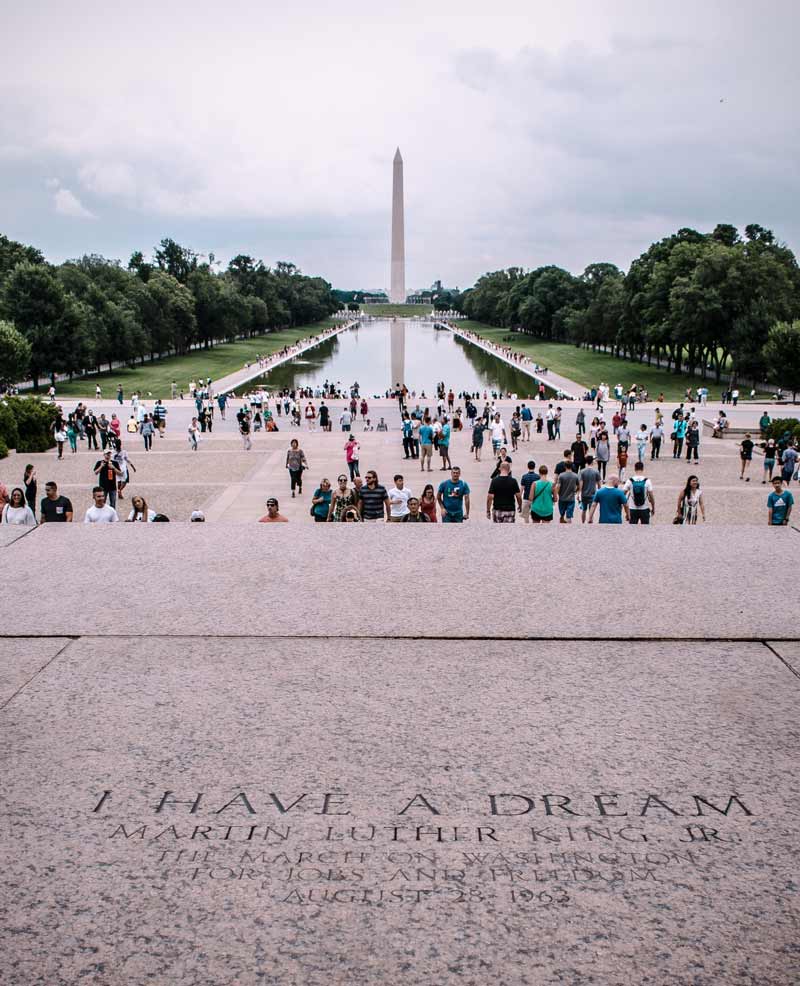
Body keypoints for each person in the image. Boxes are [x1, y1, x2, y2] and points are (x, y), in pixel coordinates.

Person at [577, 455, 601, 525]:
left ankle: (583, 522)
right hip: (593, 494)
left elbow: (581, 483)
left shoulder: (582, 471)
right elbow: (599, 484)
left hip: (584, 494)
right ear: (592, 462)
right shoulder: (596, 472)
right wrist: (599, 492)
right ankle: (590, 521)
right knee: (591, 510)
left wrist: (579, 493)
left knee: (584, 510)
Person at [553, 460, 578, 524]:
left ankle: (562, 519)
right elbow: (579, 485)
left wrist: (556, 494)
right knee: (569, 516)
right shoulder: (575, 476)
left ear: (565, 466)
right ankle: (568, 525)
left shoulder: (561, 475)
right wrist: (576, 491)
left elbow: (558, 486)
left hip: (562, 497)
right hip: (571, 498)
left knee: (562, 513)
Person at [520, 460, 538, 524]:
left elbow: (522, 489)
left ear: (528, 467)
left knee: (526, 517)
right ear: (534, 467)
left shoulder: (524, 476)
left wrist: (519, 501)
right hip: (535, 499)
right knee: (535, 516)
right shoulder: (537, 477)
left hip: (526, 498)